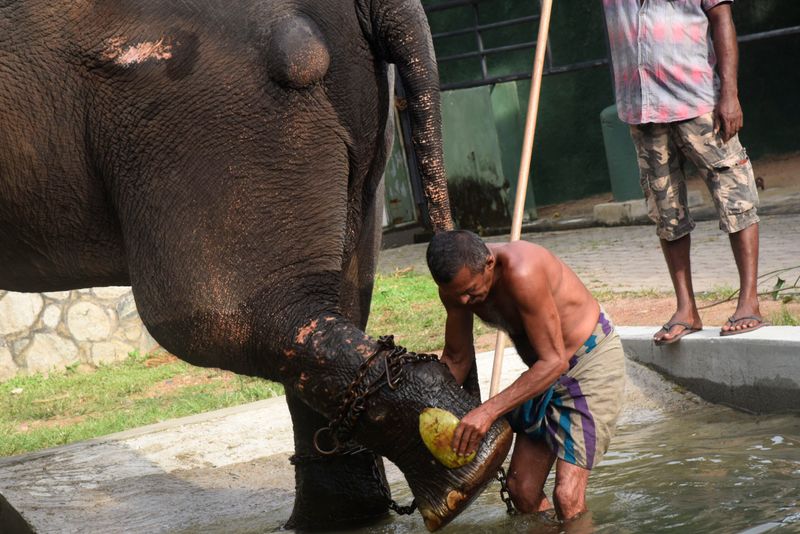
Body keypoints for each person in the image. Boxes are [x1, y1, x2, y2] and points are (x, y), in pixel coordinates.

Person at [426, 230, 625, 522]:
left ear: (489, 264)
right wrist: (427, 411)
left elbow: (554, 362)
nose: (466, 301)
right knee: (521, 489)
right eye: (458, 296)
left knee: (567, 498)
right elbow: (457, 359)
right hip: (543, 374)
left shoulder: (524, 270)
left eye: (470, 290)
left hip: (587, 363)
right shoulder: (456, 290)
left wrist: (487, 412)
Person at [603, 0, 766, 344]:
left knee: (735, 194)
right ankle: (686, 309)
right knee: (665, 209)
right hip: (643, 109)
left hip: (700, 101)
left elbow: (722, 18)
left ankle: (749, 301)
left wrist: (730, 94)